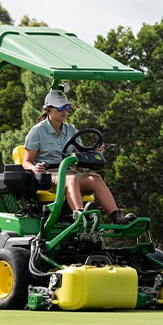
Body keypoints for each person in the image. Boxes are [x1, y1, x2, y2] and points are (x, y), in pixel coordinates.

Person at [21, 89, 135, 224]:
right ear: (48, 110)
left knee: (95, 179)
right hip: (47, 175)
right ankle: (80, 218)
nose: (64, 111)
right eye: (60, 108)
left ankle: (117, 217)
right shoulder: (38, 131)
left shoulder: (70, 129)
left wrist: (95, 153)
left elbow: (79, 155)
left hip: (68, 172)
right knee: (71, 179)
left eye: (67, 107)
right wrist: (34, 168)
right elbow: (26, 161)